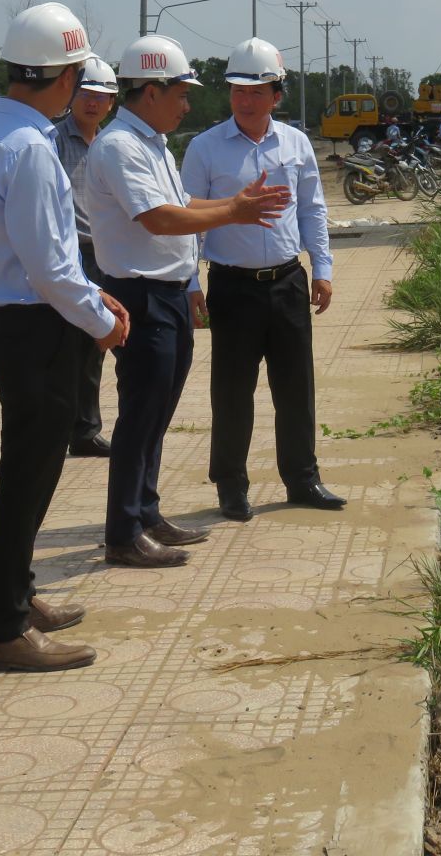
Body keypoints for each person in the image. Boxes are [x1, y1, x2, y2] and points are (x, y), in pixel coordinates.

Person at [0, 2, 131, 674]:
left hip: (14, 321)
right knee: (28, 477)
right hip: (38, 326)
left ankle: (20, 597)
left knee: (29, 469)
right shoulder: (30, 148)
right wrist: (101, 320)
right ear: (63, 78)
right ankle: (4, 628)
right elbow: (52, 264)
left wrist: (91, 300)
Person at [84, 36, 292, 568]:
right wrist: (234, 214)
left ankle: (145, 512)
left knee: (158, 413)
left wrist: (235, 203)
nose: (187, 105)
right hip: (140, 294)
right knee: (139, 415)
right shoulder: (119, 147)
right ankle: (122, 532)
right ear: (149, 90)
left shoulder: (151, 142)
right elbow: (158, 218)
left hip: (169, 293)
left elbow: (181, 204)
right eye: (180, 93)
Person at [182, 37, 344, 521]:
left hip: (288, 283)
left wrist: (324, 269)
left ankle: (303, 479)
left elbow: (313, 208)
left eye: (257, 91)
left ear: (277, 95)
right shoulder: (205, 148)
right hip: (232, 288)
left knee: (296, 389)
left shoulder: (294, 144)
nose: (246, 100)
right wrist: (191, 284)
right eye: (237, 91)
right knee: (232, 393)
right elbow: (185, 220)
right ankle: (230, 487)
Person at [54, 55, 120, 459]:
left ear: (112, 103)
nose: (93, 103)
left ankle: (85, 430)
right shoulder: (52, 140)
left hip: (106, 253)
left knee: (96, 344)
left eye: (102, 97)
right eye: (85, 94)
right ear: (71, 95)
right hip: (70, 254)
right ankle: (58, 429)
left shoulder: (111, 145)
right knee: (64, 348)